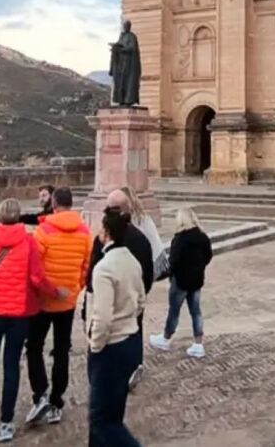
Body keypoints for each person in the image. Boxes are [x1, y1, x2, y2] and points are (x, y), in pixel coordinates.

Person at [0, 199, 69, 444]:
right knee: (11, 365)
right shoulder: (28, 243)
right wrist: (56, 292)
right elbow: (37, 278)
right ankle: (5, 424)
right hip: (19, 313)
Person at [24, 187, 93, 427]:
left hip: (44, 301)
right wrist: (75, 287)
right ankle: (56, 402)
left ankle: (40, 393)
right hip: (68, 301)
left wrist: (47, 290)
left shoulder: (43, 231)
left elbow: (34, 270)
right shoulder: (85, 232)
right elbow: (87, 266)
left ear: (53, 204)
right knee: (62, 350)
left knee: (34, 346)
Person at [86, 206, 145, 446]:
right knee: (113, 413)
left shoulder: (104, 268)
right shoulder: (132, 261)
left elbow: (102, 315)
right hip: (130, 341)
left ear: (107, 233)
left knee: (102, 421)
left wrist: (96, 345)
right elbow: (141, 301)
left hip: (110, 346)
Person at [84, 189, 153, 390]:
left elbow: (92, 276)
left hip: (108, 311)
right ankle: (133, 369)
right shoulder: (141, 239)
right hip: (132, 303)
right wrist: (138, 298)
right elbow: (147, 274)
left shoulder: (102, 245)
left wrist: (94, 345)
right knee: (135, 331)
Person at [149, 207, 213, 358]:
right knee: (196, 311)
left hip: (181, 281)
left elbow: (174, 261)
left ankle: (166, 338)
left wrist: (171, 274)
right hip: (196, 280)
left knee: (174, 311)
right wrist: (198, 267)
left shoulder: (180, 239)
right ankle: (198, 343)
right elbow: (208, 256)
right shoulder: (203, 237)